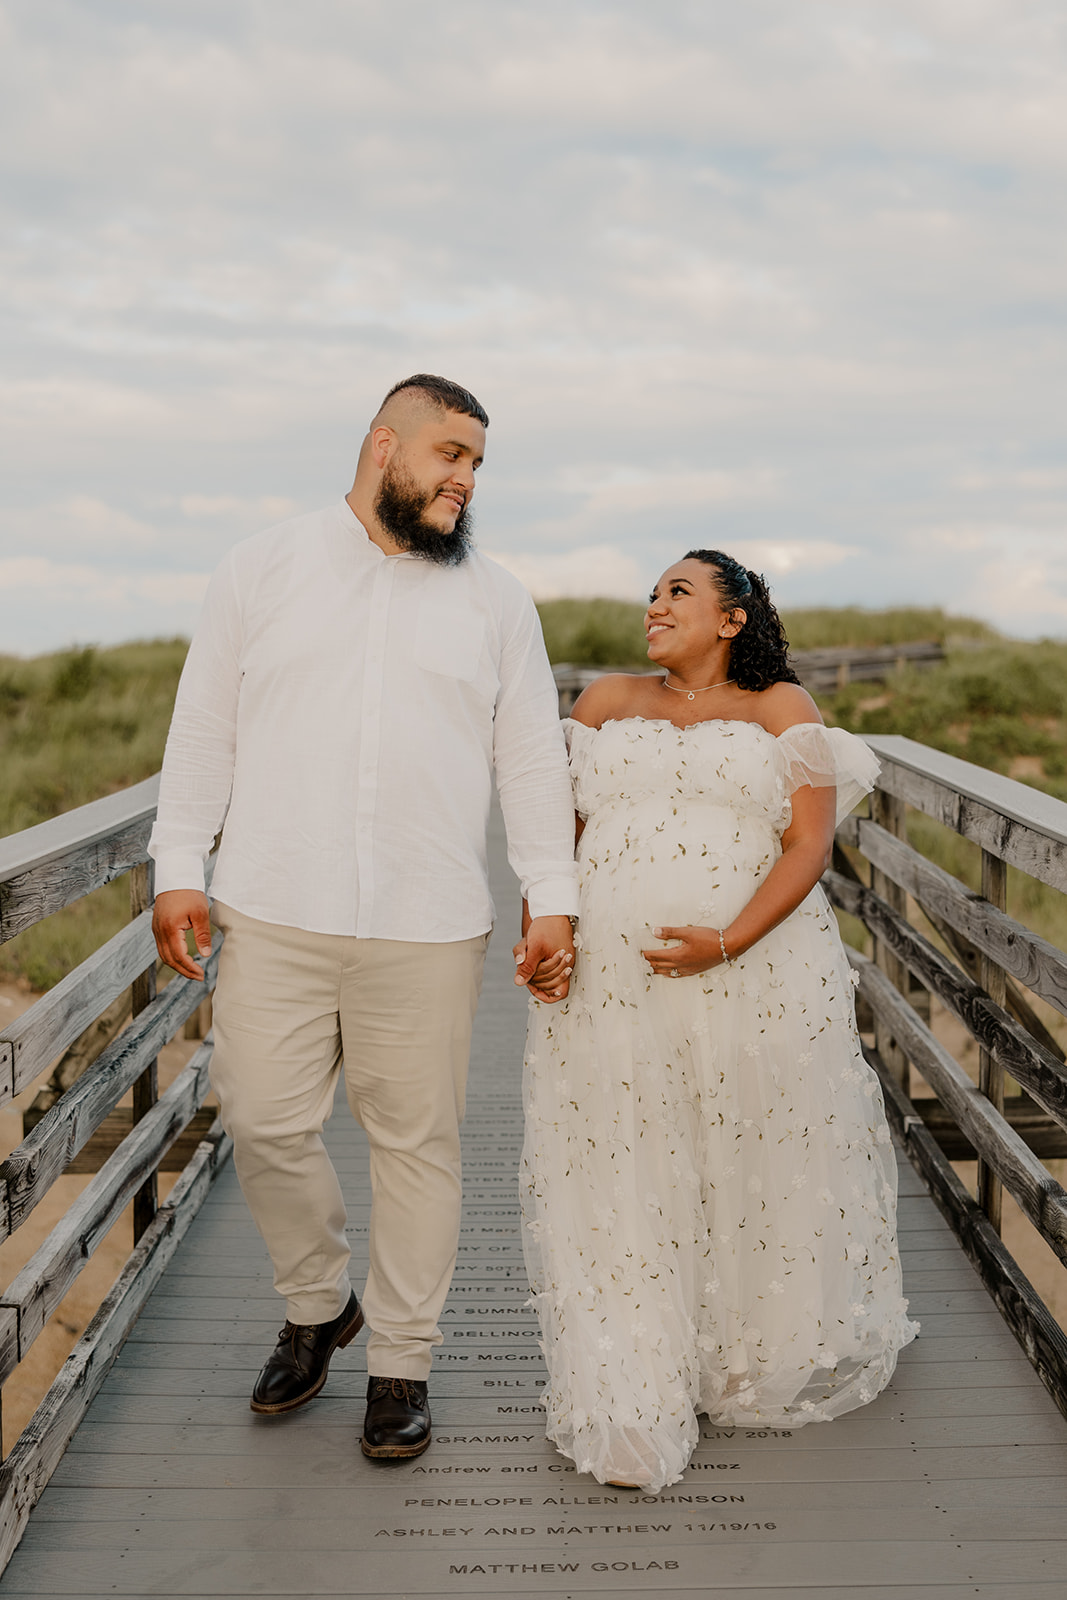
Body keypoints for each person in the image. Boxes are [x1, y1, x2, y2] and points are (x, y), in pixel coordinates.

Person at [149, 374, 579, 1461]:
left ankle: (401, 1364)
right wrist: (176, 864)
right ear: (382, 445)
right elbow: (205, 726)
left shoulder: (496, 599)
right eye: (448, 455)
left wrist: (551, 893)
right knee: (259, 1115)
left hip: (429, 919)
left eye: (476, 463)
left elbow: (529, 756)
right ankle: (316, 1301)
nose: (464, 480)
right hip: (272, 901)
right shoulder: (260, 568)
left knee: (416, 1145)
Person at [518, 549, 919, 1492]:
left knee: (745, 1146)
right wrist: (552, 935)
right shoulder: (604, 702)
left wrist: (727, 939)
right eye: (652, 593)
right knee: (620, 1157)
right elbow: (555, 845)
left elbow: (807, 843)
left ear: (732, 618)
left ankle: (738, 1348)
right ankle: (631, 1384)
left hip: (756, 970)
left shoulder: (780, 709)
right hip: (613, 982)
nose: (654, 606)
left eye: (677, 593)